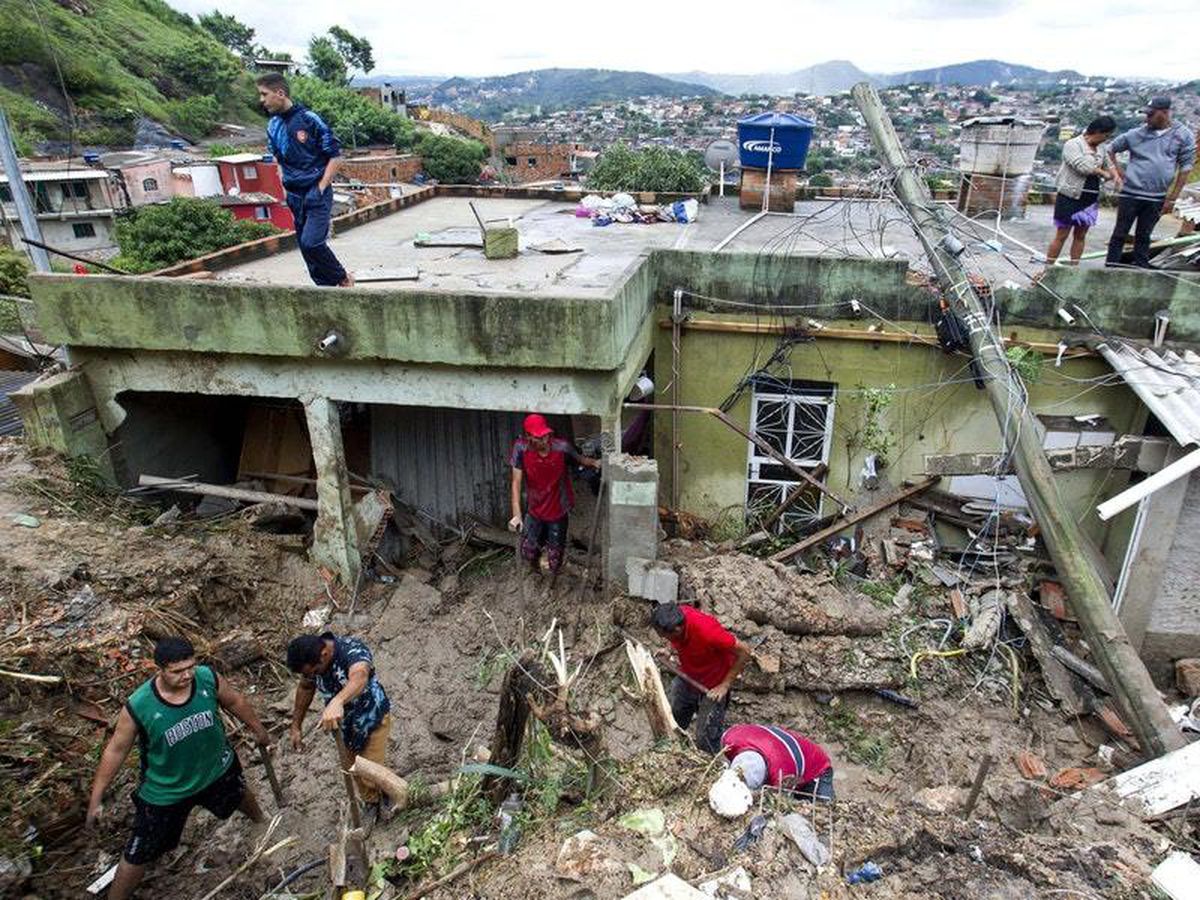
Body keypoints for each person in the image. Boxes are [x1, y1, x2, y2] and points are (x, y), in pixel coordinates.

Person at [86, 637, 271, 900]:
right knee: (139, 853)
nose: (186, 676)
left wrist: (259, 729)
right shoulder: (140, 705)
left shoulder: (207, 678)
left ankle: (263, 825)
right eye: (177, 671)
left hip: (216, 769)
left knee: (239, 794)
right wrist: (96, 797)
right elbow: (115, 751)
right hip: (166, 792)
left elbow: (234, 701)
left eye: (190, 667)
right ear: (159, 669)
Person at [256, 73, 354, 288]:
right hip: (294, 194)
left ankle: (343, 278)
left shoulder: (309, 120)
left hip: (314, 191)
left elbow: (335, 157)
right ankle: (324, 290)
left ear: (280, 93)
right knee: (305, 249)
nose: (261, 100)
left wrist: (320, 187)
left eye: (265, 94)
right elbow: (278, 158)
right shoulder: (273, 125)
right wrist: (283, 183)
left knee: (312, 243)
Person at [286, 632, 392, 824]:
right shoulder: (312, 666)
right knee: (354, 769)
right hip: (344, 729)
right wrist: (296, 725)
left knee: (372, 768)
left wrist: (337, 701)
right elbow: (305, 688)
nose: (312, 676)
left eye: (314, 671)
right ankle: (371, 802)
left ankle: (388, 797)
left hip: (372, 718)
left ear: (324, 654)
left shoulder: (351, 650)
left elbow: (359, 676)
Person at [507, 413, 600, 584]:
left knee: (555, 558)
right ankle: (535, 574)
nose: (544, 440)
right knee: (528, 550)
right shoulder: (521, 449)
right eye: (538, 437)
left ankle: (553, 583)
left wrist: (596, 463)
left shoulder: (562, 448)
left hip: (558, 509)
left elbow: (580, 459)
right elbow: (516, 482)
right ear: (528, 437)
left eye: (546, 435)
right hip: (534, 508)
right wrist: (517, 515)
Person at [1105, 97, 1196, 268]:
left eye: (1151, 115)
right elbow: (1110, 150)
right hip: (1130, 193)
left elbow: (1185, 167)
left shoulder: (1183, 135)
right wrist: (1118, 173)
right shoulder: (1136, 134)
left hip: (1157, 196)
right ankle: (1111, 266)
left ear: (1164, 113)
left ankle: (1141, 267)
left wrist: (1172, 197)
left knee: (1144, 234)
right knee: (1120, 233)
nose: (1147, 119)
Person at [650, 601, 751, 753]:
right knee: (674, 719)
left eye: (667, 637)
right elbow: (675, 638)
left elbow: (745, 651)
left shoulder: (708, 632)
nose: (666, 639)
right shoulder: (675, 616)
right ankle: (674, 750)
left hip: (713, 685)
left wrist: (724, 685)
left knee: (705, 739)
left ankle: (711, 765)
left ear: (677, 630)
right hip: (688, 677)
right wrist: (669, 650)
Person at [1046, 116, 1117, 265]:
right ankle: (1048, 267)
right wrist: (1103, 173)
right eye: (1105, 135)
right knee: (1062, 234)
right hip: (1069, 196)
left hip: (1089, 197)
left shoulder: (1101, 148)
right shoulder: (1073, 144)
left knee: (1081, 235)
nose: (1106, 139)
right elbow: (1082, 167)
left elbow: (1109, 164)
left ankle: (1074, 267)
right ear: (1097, 131)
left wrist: (1114, 175)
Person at [720, 722, 834, 801]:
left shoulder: (782, 774)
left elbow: (781, 802)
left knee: (822, 807)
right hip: (782, 751)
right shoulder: (730, 739)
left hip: (817, 767)